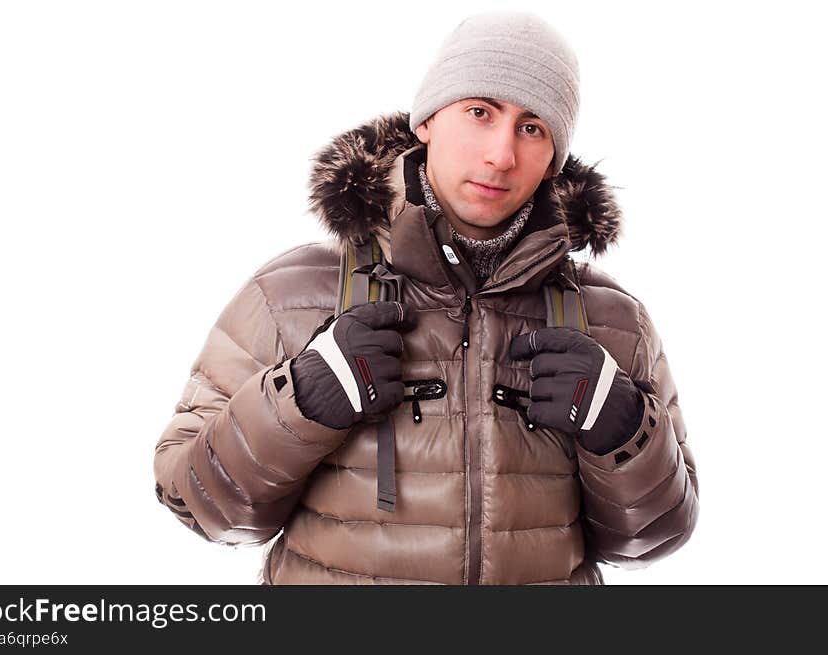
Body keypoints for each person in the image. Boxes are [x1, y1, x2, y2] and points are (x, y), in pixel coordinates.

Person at [153, 11, 699, 585]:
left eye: (532, 127)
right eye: (480, 112)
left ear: (553, 158)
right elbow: (200, 505)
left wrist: (624, 429)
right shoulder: (292, 293)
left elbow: (654, 538)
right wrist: (298, 402)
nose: (501, 155)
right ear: (428, 122)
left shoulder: (612, 320)